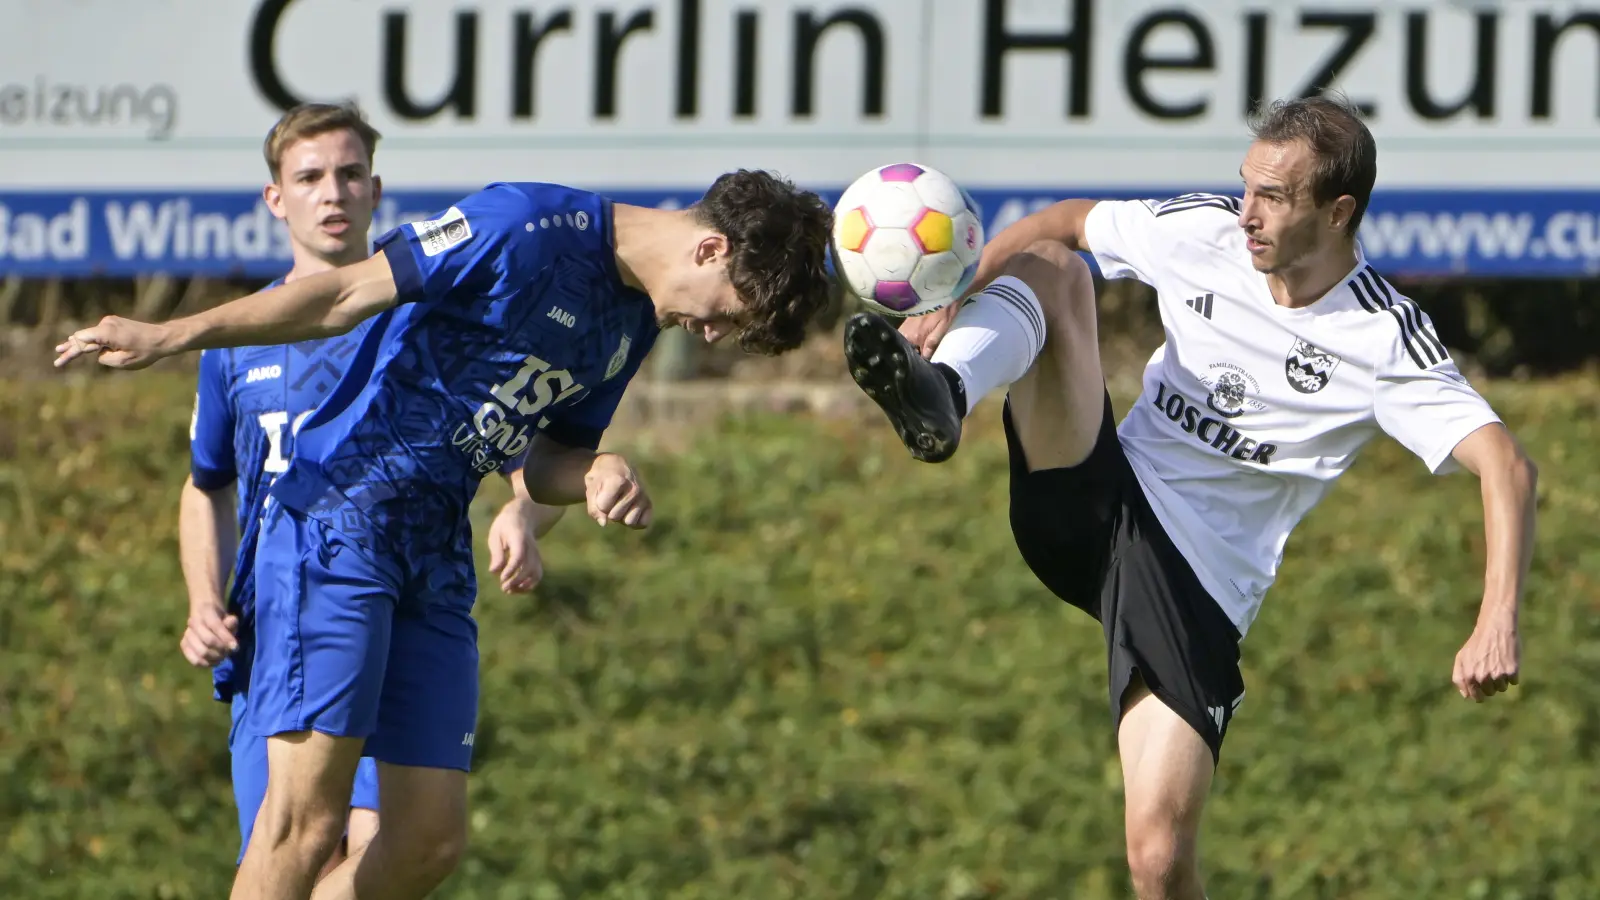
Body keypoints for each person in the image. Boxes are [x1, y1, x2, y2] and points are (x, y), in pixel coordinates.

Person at [56, 164, 834, 899]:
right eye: (726, 314)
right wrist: (172, 335)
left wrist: (593, 471)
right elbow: (342, 297)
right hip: (341, 521)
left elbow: (543, 461)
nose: (710, 334)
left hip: (433, 559)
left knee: (428, 840)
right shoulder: (525, 224)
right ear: (710, 248)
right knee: (304, 824)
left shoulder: (632, 322)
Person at [840, 93, 1536, 900]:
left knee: (1159, 861)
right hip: (1097, 497)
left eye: (1273, 196)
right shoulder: (1203, 230)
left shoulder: (1383, 337)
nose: (1246, 212)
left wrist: (1496, 619)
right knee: (1058, 269)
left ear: (1340, 211)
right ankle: (946, 395)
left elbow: (1506, 467)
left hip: (1195, 586)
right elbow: (1067, 221)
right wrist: (960, 290)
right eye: (1246, 186)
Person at [175, 101, 565, 881]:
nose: (334, 193)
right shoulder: (240, 340)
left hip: (391, 614)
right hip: (278, 628)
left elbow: (531, 456)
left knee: (394, 845)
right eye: (310, 177)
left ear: (376, 189)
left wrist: (523, 515)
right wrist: (201, 598)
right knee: (293, 848)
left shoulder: (424, 321)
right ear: (275, 198)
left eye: (350, 174)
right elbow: (204, 485)